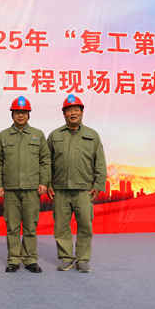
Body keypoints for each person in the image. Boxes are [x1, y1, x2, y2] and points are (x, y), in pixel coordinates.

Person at [47, 94, 107, 273]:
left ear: (82, 112)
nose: (73, 113)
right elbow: (46, 162)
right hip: (60, 190)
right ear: (63, 113)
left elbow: (100, 162)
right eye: (69, 110)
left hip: (84, 190)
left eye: (76, 110)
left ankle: (83, 259)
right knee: (61, 227)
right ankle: (66, 258)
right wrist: (47, 183)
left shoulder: (92, 136)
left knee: (85, 226)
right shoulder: (55, 136)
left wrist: (98, 184)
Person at [0, 96, 50, 274]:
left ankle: (30, 259)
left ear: (28, 114)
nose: (20, 115)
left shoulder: (38, 135)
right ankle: (13, 259)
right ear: (12, 114)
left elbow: (45, 161)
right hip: (10, 190)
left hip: (32, 189)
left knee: (30, 226)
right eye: (17, 112)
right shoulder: (3, 136)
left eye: (24, 112)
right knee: (12, 227)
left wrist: (44, 182)